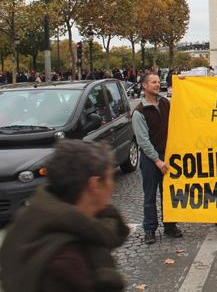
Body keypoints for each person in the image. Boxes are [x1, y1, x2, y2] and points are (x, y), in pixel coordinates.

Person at [0, 140, 129, 292]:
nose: (113, 185)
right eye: (110, 177)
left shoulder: (28, 221)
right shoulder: (66, 264)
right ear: (94, 185)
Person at [132, 72, 183, 245]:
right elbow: (143, 141)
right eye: (153, 82)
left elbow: (182, 109)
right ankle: (149, 230)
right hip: (150, 159)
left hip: (167, 156)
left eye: (158, 82)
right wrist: (157, 160)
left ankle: (170, 226)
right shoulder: (139, 112)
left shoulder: (165, 103)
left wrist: (183, 84)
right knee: (150, 196)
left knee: (168, 193)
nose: (157, 84)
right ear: (144, 86)